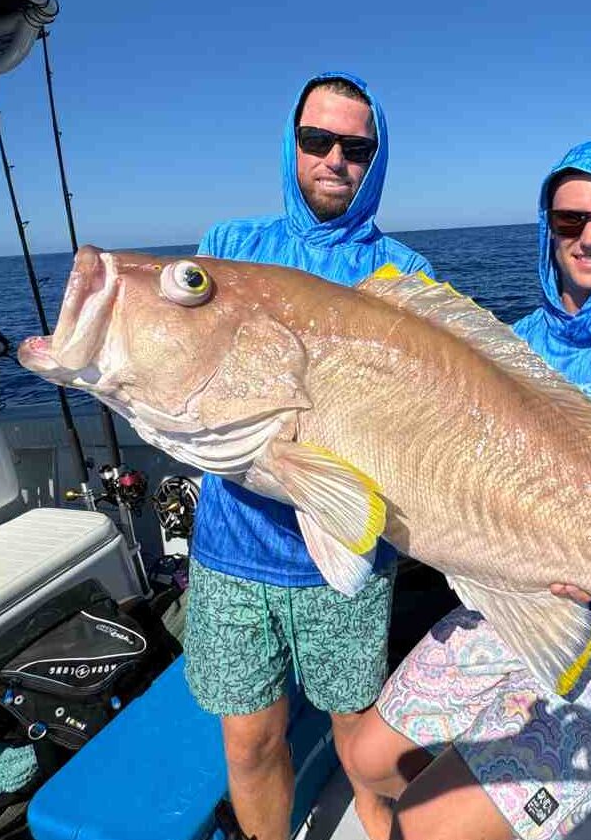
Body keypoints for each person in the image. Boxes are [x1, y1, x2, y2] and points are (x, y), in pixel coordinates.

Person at [344, 140, 591, 840]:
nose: (589, 236)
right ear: (548, 228)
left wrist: (587, 550)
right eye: (569, 222)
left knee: (429, 825)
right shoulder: (511, 342)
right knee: (366, 757)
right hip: (513, 602)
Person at [183, 72, 433, 840]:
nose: (334, 159)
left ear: (376, 158)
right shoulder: (229, 248)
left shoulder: (407, 278)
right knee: (249, 739)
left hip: (345, 554)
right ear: (291, 146)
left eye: (355, 147)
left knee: (363, 743)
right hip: (230, 553)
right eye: (316, 140)